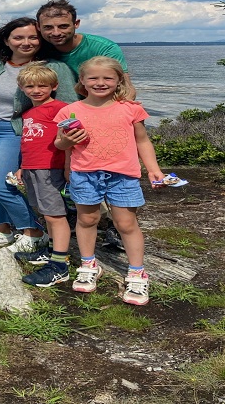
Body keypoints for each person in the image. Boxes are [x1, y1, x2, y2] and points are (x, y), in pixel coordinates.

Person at [54, 56, 164, 305]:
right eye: (93, 77)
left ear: (118, 80)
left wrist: (153, 169)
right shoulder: (69, 111)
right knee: (87, 219)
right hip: (85, 174)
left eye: (107, 78)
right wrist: (67, 144)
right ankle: (88, 264)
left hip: (123, 175)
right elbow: (60, 144)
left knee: (126, 223)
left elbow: (142, 140)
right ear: (82, 80)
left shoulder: (131, 109)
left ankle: (137, 272)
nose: (100, 82)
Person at [0, 18, 78, 254]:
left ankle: (33, 231)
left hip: (13, 130)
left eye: (32, 37)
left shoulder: (52, 67)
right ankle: (0, 230)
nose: (26, 42)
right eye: (18, 37)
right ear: (7, 40)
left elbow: (68, 108)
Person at [37, 0, 135, 249]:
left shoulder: (103, 47)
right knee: (73, 171)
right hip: (63, 116)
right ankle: (75, 214)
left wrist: (113, 117)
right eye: (48, 27)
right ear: (39, 28)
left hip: (100, 115)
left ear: (76, 24)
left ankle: (114, 224)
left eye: (63, 26)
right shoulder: (40, 48)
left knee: (110, 170)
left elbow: (126, 88)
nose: (56, 32)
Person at [11, 63, 72, 288]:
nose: (36, 90)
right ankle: (51, 251)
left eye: (42, 86)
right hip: (32, 168)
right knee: (46, 213)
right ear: (22, 88)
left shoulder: (60, 109)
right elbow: (29, 144)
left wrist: (68, 167)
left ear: (54, 86)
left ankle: (60, 265)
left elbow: (69, 140)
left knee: (56, 215)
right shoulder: (28, 113)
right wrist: (22, 167)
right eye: (30, 86)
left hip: (51, 168)